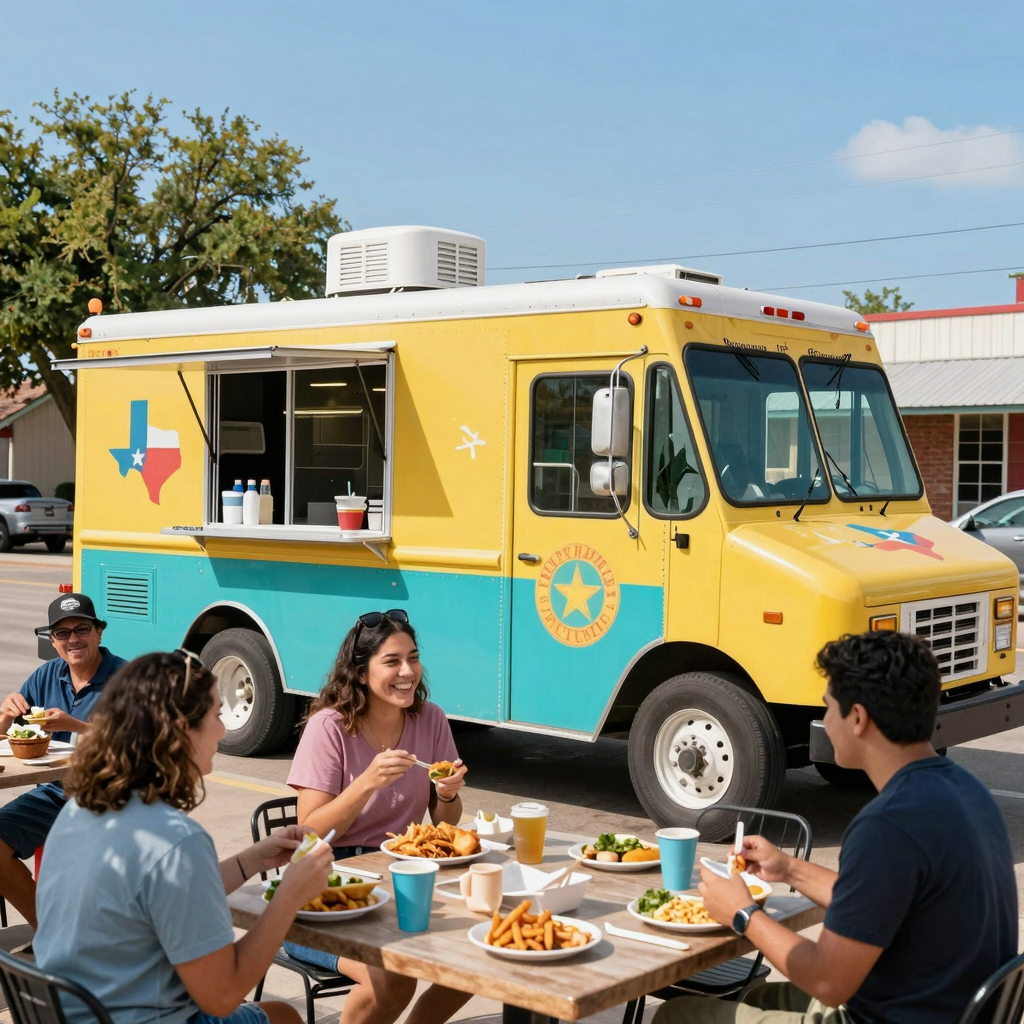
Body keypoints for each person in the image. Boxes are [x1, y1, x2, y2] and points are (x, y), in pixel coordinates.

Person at [655, 630, 1017, 1024]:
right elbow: (877, 902)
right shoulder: (966, 790)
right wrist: (788, 869)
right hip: (950, 1008)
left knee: (679, 1015)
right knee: (761, 995)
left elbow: (828, 982)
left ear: (858, 718)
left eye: (828, 708)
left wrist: (742, 914)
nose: (825, 721)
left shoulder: (887, 825)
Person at [34, 649, 334, 1024]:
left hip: (69, 1015)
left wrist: (250, 860)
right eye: (215, 715)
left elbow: (161, 891)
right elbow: (221, 996)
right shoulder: (176, 839)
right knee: (283, 1017)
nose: (223, 730)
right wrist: (288, 897)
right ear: (180, 731)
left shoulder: (80, 809)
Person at [286, 608, 472, 1024]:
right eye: (392, 661)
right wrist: (366, 783)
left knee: (480, 951)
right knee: (391, 979)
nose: (408, 671)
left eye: (413, 657)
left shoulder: (431, 719)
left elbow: (446, 824)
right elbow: (308, 833)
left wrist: (446, 793)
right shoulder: (328, 727)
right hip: (324, 894)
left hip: (401, 879)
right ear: (361, 672)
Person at [0, 592, 126, 930]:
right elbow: (10, 731)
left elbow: (144, 748)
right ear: (53, 641)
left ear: (99, 632)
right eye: (62, 633)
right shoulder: (47, 675)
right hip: (58, 793)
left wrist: (76, 726)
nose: (73, 639)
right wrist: (6, 713)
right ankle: (50, 932)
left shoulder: (128, 680)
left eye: (82, 629)